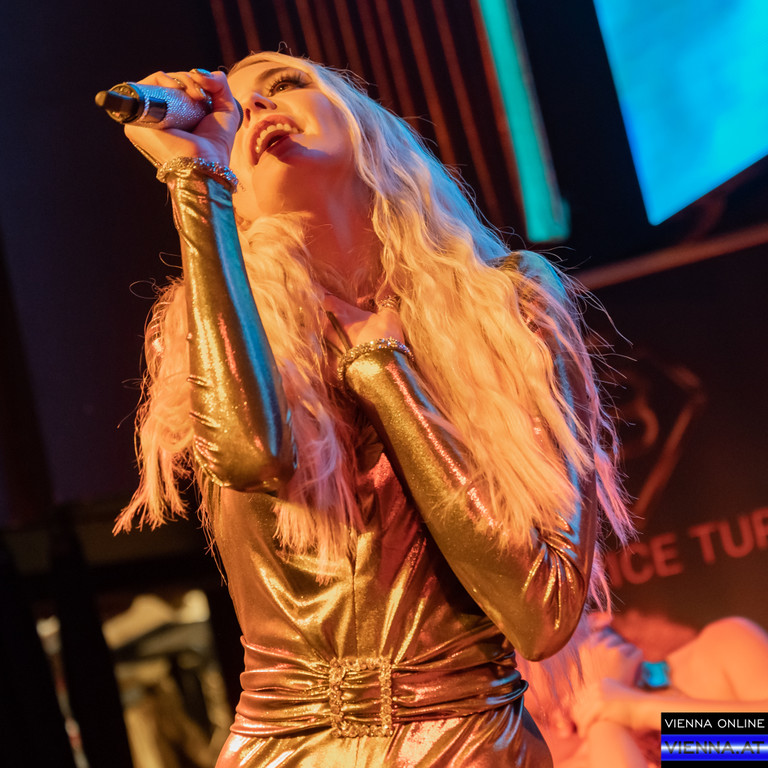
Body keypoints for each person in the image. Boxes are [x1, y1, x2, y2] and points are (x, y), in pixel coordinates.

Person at [113, 51, 631, 767]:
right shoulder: (209, 323)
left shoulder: (509, 305)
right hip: (279, 749)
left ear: (366, 127)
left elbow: (542, 612)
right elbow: (248, 453)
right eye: (236, 108)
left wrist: (386, 371)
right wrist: (194, 180)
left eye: (283, 83)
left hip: (461, 742)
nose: (257, 106)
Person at [532, 615, 768, 768]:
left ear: (595, 619)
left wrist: (638, 709)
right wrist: (604, 719)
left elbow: (759, 742)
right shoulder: (583, 762)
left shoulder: (718, 649)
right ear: (559, 722)